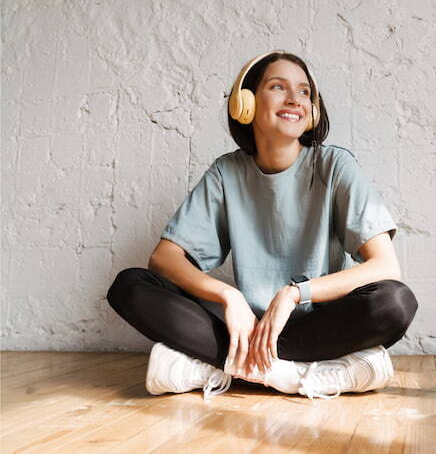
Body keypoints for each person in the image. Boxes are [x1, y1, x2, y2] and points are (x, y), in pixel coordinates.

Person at [106, 50, 418, 401]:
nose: (294, 100)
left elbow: (385, 266)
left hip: (317, 323)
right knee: (129, 286)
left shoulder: (336, 165)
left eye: (304, 92)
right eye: (278, 86)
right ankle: (296, 373)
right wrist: (229, 296)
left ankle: (226, 368)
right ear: (246, 103)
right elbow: (164, 259)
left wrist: (293, 294)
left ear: (313, 110)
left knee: (394, 303)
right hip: (246, 328)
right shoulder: (227, 173)